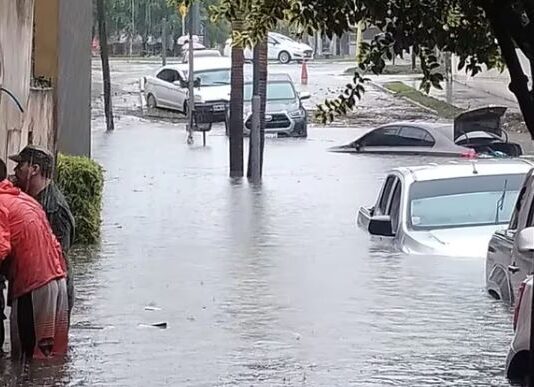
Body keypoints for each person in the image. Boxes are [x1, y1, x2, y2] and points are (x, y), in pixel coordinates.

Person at [0, 158, 68, 360]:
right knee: (52, 355)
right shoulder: (24, 198)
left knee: (26, 357)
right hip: (58, 280)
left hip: (34, 286)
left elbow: (1, 248)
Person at [9, 146, 75, 316]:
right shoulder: (30, 197)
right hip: (31, 286)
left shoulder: (55, 209)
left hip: (47, 292)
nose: (15, 170)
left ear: (34, 169)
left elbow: (57, 256)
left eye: (20, 165)